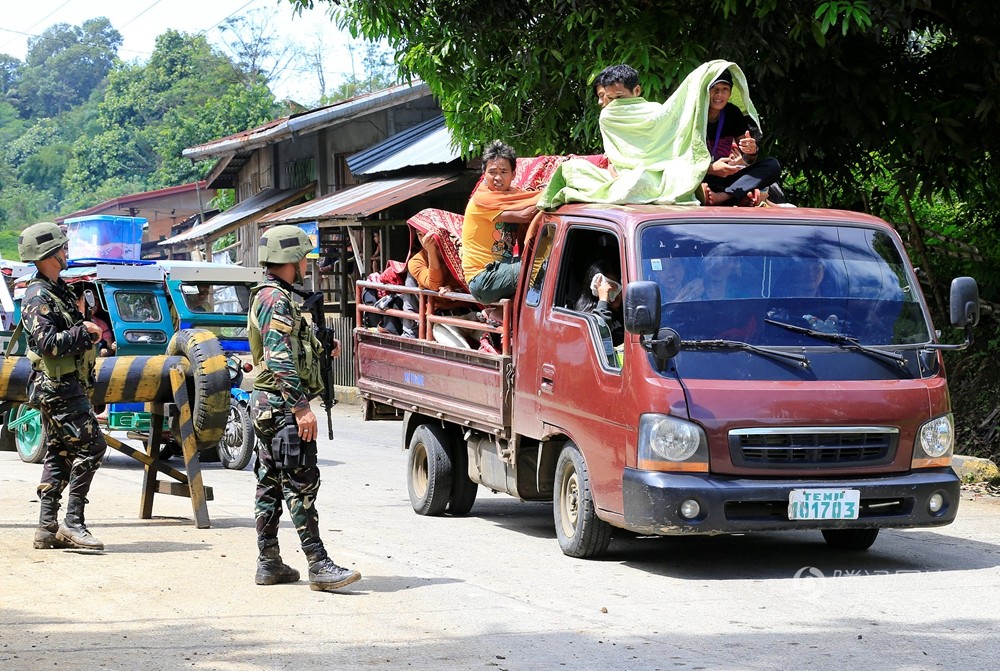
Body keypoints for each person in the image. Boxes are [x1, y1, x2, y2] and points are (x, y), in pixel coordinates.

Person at [248, 225, 361, 591]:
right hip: (281, 407)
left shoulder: (278, 296)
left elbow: (291, 348)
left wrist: (321, 349)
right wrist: (300, 408)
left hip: (268, 404)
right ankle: (319, 565)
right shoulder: (275, 299)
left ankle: (270, 563)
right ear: (292, 259)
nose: (306, 266)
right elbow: (277, 356)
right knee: (300, 483)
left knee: (269, 484)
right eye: (302, 260)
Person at [17, 222, 107, 551]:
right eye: (63, 248)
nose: (67, 253)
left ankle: (46, 527)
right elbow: (48, 344)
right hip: (55, 387)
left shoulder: (60, 290)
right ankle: (73, 523)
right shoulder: (36, 296)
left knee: (59, 451)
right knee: (93, 445)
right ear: (49, 254)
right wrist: (87, 332)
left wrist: (93, 339)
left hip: (69, 383)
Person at [461, 140, 542, 305]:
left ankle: (502, 311)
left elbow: (528, 198)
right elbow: (524, 215)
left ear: (513, 174)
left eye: (504, 171)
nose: (497, 177)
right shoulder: (482, 198)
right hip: (483, 279)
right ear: (484, 173)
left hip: (502, 269)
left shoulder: (514, 195)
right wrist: (550, 194)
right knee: (541, 265)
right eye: (492, 172)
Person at [700, 70, 781, 206]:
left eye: (725, 89)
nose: (719, 94)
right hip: (700, 177)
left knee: (772, 165)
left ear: (730, 92)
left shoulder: (732, 113)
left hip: (727, 180)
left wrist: (751, 152)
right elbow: (679, 159)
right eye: (714, 89)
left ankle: (723, 197)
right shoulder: (694, 114)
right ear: (705, 91)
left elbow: (748, 160)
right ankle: (737, 195)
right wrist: (711, 168)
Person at [401, 230, 469, 340]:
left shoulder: (457, 251)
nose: (424, 238)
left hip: (472, 313)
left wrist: (456, 291)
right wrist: (431, 252)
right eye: (419, 234)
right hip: (442, 319)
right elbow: (434, 285)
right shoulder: (416, 261)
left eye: (427, 233)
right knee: (461, 351)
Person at [575, 260, 624, 347]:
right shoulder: (588, 316)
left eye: (615, 286)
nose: (612, 290)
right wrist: (603, 300)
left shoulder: (627, 309)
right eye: (607, 287)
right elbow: (599, 337)